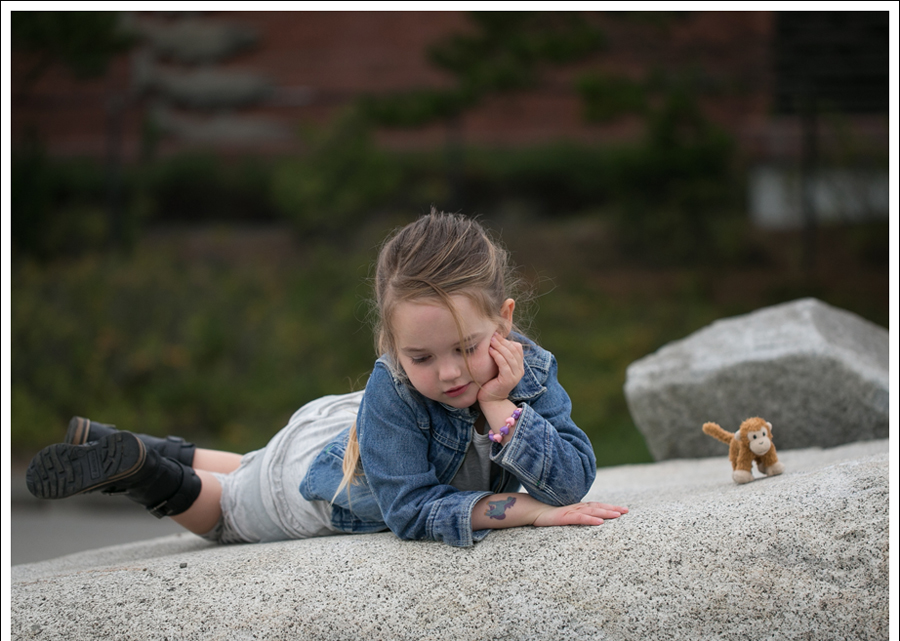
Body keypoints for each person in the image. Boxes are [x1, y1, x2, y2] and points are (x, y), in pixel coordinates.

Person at [26, 210, 628, 547]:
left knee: (257, 462)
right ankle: (142, 469)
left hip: (349, 433)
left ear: (504, 321)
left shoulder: (528, 369)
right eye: (419, 358)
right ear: (390, 347)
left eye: (467, 348)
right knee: (228, 511)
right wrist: (527, 511)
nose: (449, 373)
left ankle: (143, 444)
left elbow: (571, 478)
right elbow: (412, 511)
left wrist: (501, 407)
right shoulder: (393, 392)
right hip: (325, 476)